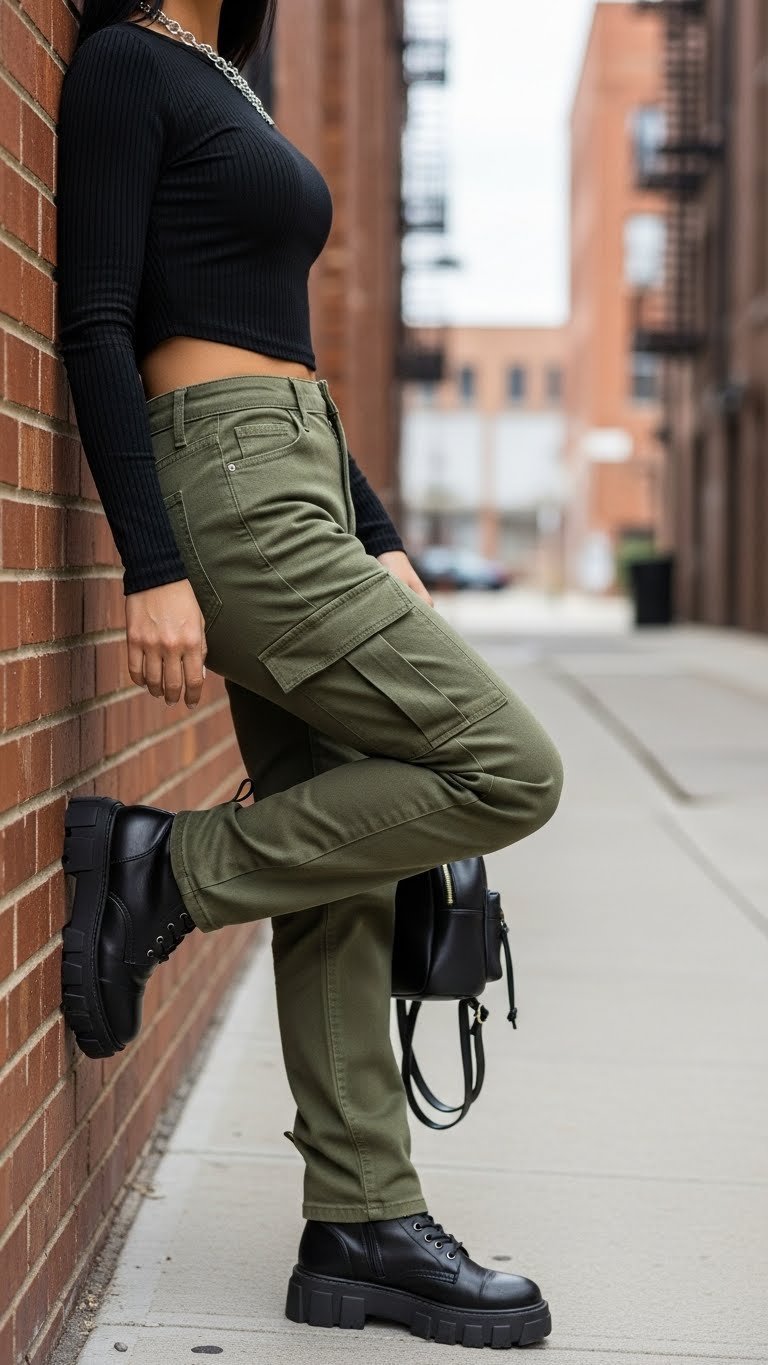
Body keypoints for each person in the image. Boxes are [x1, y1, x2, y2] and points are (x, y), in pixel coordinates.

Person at [55, 1, 564, 1349]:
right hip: (221, 490)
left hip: (295, 475)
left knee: (341, 851)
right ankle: (168, 870)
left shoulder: (228, 75)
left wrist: (379, 533)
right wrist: (151, 563)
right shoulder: (121, 63)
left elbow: (283, 341)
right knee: (507, 762)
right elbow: (97, 323)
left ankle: (360, 1224)